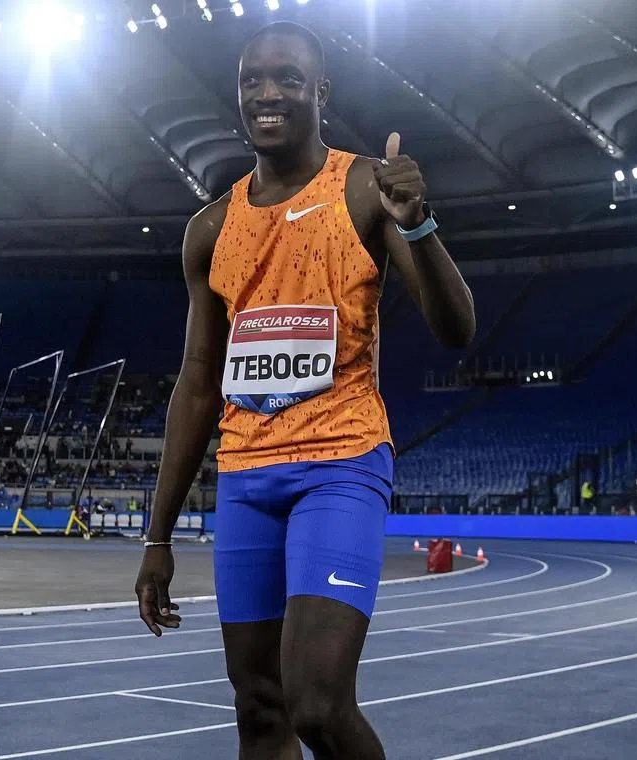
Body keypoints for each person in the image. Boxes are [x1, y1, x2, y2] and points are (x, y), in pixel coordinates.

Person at [134, 20, 475, 760]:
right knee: (260, 709)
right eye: (252, 79)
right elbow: (197, 382)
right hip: (248, 479)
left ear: (320, 91)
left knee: (317, 705)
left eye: (287, 78)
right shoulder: (209, 228)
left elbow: (457, 330)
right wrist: (158, 536)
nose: (267, 93)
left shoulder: (361, 189)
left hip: (341, 466)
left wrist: (418, 228)